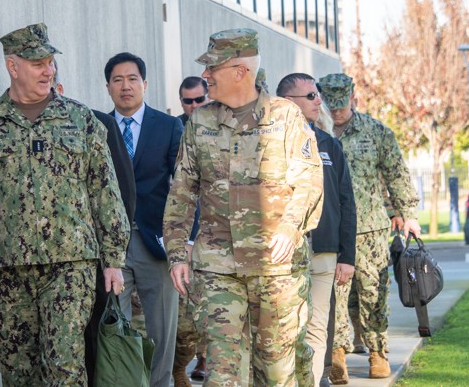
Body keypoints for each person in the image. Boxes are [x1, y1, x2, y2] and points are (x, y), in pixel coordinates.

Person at [0, 23, 129, 386]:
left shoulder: (80, 120)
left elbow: (105, 191)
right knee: (18, 373)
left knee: (64, 368)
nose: (48, 70)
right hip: (7, 272)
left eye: (50, 62)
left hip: (70, 267)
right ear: (12, 65)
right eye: (37, 63)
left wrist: (113, 259)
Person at [163, 28, 324, 386]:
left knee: (276, 373)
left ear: (240, 72)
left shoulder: (286, 118)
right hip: (218, 267)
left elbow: (309, 181)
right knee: (224, 374)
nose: (205, 76)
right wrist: (176, 253)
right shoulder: (200, 123)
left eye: (212, 68)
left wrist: (288, 226)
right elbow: (182, 193)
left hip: (276, 270)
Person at [316, 72, 421, 381]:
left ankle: (377, 352)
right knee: (334, 296)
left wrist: (408, 212)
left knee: (372, 294)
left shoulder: (376, 133)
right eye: (330, 107)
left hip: (371, 230)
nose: (335, 113)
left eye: (341, 107)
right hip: (330, 229)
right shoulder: (314, 135)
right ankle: (337, 356)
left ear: (354, 100)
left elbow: (397, 173)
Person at [53, 69, 137, 385]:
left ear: (61, 86)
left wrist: (112, 257)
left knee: (91, 346)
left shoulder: (96, 123)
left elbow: (122, 193)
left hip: (92, 261)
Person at [104, 51, 183, 387]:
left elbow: (185, 187)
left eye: (132, 79)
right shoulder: (98, 127)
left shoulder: (168, 126)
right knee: (115, 327)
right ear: (108, 87)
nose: (126, 86)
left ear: (145, 84)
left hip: (157, 242)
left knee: (162, 329)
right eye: (118, 80)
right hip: (112, 247)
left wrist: (185, 242)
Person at [277, 73, 357, 386]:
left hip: (324, 251)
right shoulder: (268, 144)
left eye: (317, 95)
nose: (318, 101)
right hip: (283, 254)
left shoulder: (329, 145)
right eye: (310, 96)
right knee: (284, 326)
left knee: (317, 325)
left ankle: (311, 380)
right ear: (287, 102)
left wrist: (346, 256)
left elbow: (347, 203)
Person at [173, 76, 209, 386]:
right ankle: (183, 364)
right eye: (188, 101)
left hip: (222, 235)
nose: (194, 106)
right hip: (189, 236)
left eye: (199, 100)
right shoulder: (175, 131)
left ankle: (205, 359)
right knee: (189, 316)